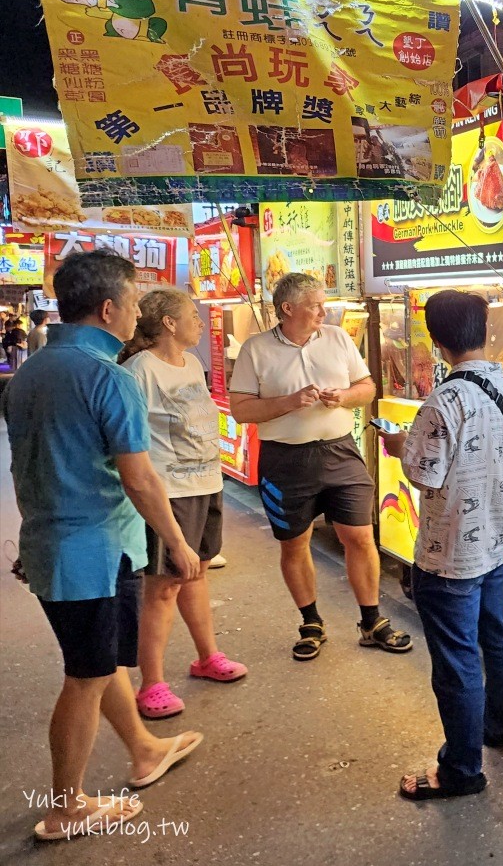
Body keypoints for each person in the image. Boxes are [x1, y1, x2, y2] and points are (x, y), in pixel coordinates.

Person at [3, 250, 203, 841]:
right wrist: (178, 542)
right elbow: (139, 476)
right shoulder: (107, 376)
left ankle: (142, 749)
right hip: (90, 550)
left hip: (55, 542)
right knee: (85, 676)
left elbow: (33, 463)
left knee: (99, 661)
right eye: (136, 301)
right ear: (110, 307)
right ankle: (67, 807)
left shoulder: (31, 372)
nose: (139, 311)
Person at [380, 290, 503, 800]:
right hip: (496, 538)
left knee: (458, 660)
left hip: (449, 556)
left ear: (436, 339)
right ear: (484, 330)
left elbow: (425, 472)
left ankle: (463, 770)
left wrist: (400, 445)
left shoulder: (445, 400)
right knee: (498, 635)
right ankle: (501, 729)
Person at [228, 272, 411, 660]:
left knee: (359, 536)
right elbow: (241, 410)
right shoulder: (256, 349)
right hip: (284, 459)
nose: (323, 311)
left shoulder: (338, 338)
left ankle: (371, 620)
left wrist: (343, 395)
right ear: (288, 308)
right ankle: (311, 621)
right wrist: (288, 401)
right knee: (295, 543)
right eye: (315, 305)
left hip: (340, 452)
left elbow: (367, 388)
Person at [122, 288, 248, 719]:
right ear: (169, 323)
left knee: (195, 576)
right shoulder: (140, 369)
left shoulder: (191, 362)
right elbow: (130, 440)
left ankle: (207, 656)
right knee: (164, 587)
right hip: (168, 492)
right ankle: (152, 683)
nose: (200, 321)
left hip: (205, 482)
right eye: (192, 315)